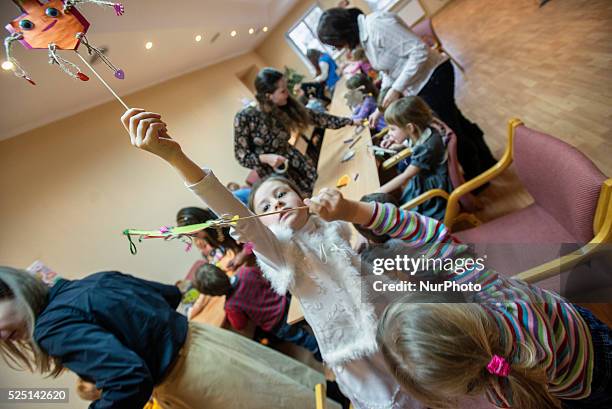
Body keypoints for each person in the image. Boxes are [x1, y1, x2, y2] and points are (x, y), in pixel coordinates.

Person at [121, 108, 437, 408]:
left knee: (433, 373)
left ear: (301, 196)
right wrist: (176, 158)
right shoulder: (280, 252)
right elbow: (238, 217)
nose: (277, 204)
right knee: (402, 395)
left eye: (281, 194)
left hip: (391, 318)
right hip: (358, 351)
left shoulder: (327, 223)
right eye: (265, 207)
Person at [0, 268, 335, 409]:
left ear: (13, 290)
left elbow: (127, 378)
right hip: (209, 342)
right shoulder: (93, 282)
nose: (3, 336)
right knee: (298, 393)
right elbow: (168, 296)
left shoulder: (49, 328)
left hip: (194, 376)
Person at [375, 238, 612, 409]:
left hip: (579, 385)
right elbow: (429, 236)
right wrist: (357, 211)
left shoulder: (506, 386)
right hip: (580, 329)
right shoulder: (491, 291)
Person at [317, 7, 497, 181]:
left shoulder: (376, 25)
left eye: (337, 44)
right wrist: (380, 108)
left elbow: (419, 51)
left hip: (433, 76)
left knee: (451, 131)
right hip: (422, 82)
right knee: (457, 121)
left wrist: (397, 89)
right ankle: (487, 164)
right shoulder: (366, 37)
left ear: (344, 33)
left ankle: (479, 177)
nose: (341, 49)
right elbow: (389, 72)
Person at [233, 67, 358, 195]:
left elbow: (315, 117)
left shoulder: (283, 105)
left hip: (298, 163)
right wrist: (265, 158)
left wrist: (350, 121)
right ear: (268, 96)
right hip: (278, 176)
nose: (287, 93)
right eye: (282, 91)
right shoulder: (245, 117)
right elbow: (241, 156)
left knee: (323, 190)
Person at [193, 263, 322, 361]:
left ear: (213, 294)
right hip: (285, 303)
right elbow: (266, 280)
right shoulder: (245, 272)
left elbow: (240, 325)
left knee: (302, 338)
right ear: (221, 271)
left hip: (277, 324)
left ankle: (319, 351)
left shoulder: (231, 307)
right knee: (311, 320)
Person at [378, 97, 452, 220]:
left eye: (392, 129)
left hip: (432, 187)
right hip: (424, 177)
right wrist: (394, 140)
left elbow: (407, 175)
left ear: (410, 128)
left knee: (411, 214)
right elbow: (412, 143)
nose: (389, 133)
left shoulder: (427, 148)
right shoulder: (423, 130)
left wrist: (378, 191)